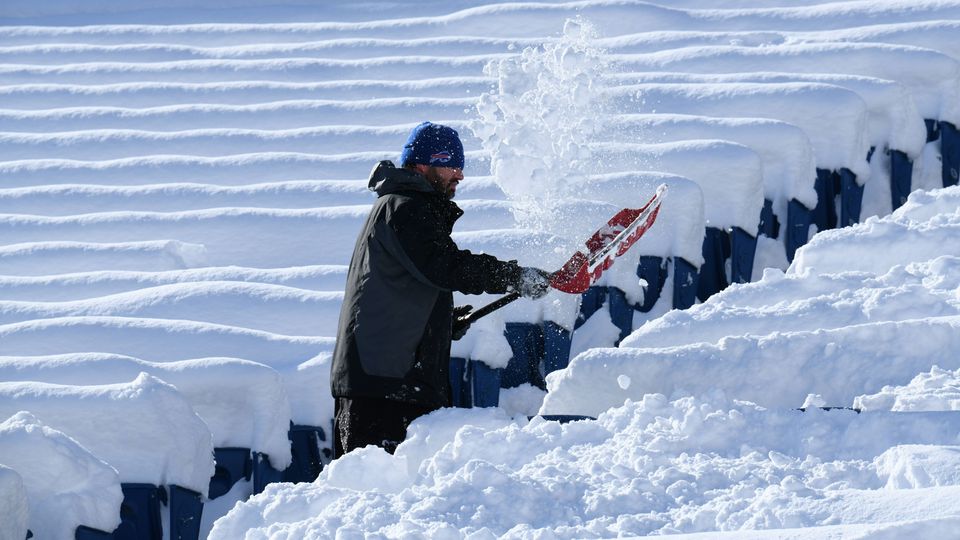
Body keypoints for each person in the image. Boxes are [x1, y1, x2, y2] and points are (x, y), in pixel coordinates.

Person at [330, 121, 552, 456]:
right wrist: (512, 275)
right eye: (452, 167)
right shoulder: (405, 207)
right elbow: (446, 266)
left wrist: (439, 323)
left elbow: (408, 283)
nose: (459, 176)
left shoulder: (401, 206)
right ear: (423, 165)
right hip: (384, 386)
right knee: (376, 492)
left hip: (387, 379)